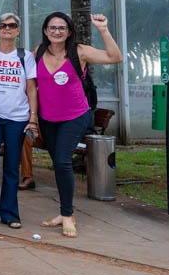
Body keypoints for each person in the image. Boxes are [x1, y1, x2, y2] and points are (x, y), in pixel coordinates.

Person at [35, 12, 122, 238]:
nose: (57, 31)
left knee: (63, 161)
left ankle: (67, 214)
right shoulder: (38, 52)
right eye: (52, 28)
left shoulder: (79, 51)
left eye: (62, 28)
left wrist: (103, 29)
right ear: (45, 31)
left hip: (75, 116)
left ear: (69, 31)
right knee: (58, 163)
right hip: (47, 118)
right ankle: (65, 213)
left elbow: (115, 57)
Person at [0, 13, 39, 229]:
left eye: (12, 26)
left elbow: (31, 88)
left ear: (18, 30)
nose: (7, 29)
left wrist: (33, 117)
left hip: (17, 117)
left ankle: (10, 213)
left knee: (12, 165)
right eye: (3, 25)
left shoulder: (25, 56)